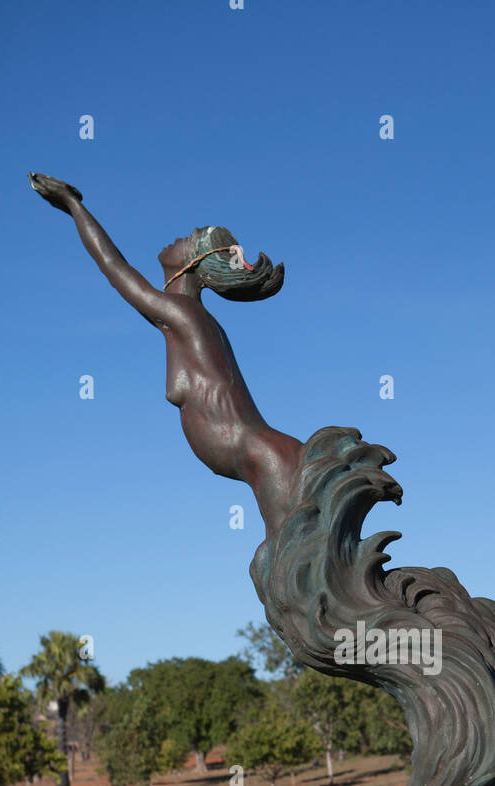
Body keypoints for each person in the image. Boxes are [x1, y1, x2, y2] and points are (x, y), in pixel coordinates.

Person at [29, 173, 302, 534]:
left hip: (264, 457)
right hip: (265, 455)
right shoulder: (193, 319)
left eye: (190, 237)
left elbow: (116, 269)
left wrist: (74, 206)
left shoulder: (183, 314)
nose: (181, 234)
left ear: (193, 261)